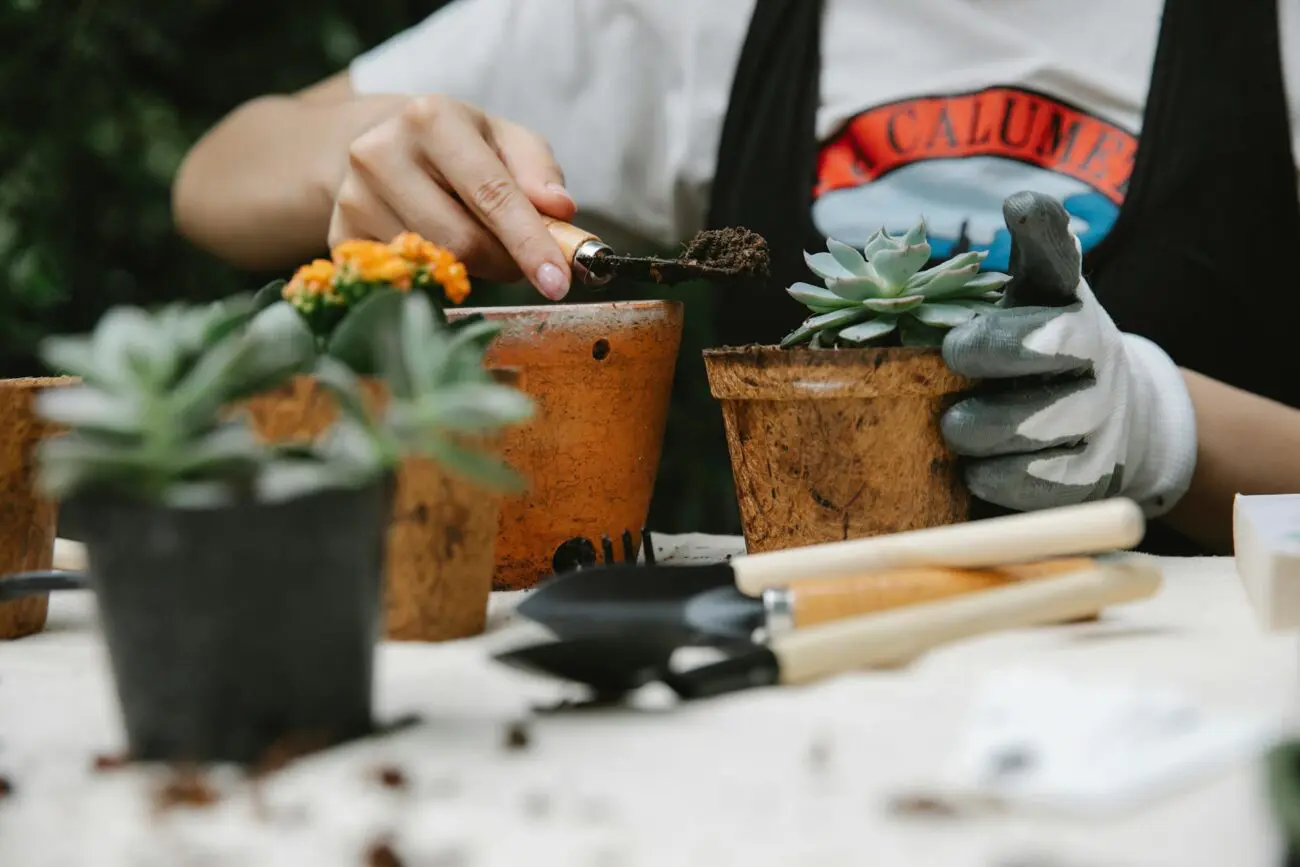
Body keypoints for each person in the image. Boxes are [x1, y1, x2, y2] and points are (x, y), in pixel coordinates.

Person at [172, 0, 1300, 555]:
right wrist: (373, 149)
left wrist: (1160, 428)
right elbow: (220, 176)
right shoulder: (698, 18)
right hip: (796, 708)